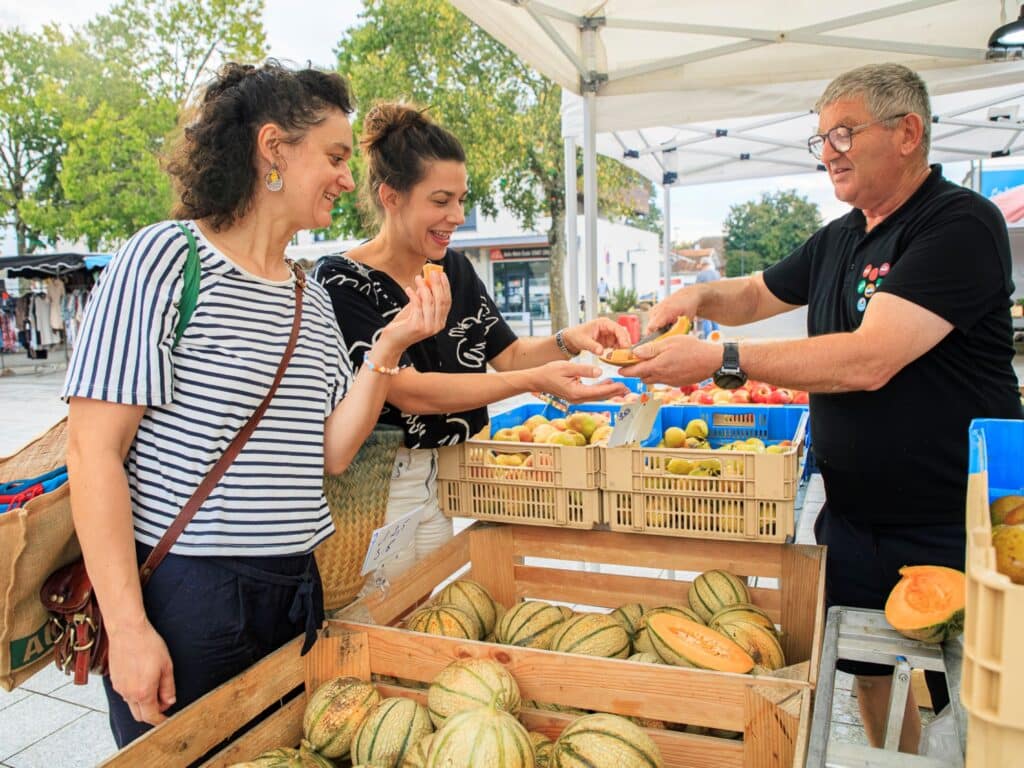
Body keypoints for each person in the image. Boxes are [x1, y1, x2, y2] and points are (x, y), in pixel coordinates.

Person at [622, 63, 1021, 753]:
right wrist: (697, 299)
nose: (828, 150)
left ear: (907, 133)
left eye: (842, 132)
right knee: (870, 670)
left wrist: (723, 360)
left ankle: (948, 754)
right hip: (855, 516)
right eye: (820, 138)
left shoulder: (960, 224)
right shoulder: (842, 236)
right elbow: (753, 294)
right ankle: (895, 753)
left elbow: (870, 360)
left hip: (952, 523)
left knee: (959, 689)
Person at [62, 61, 450, 746]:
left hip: (296, 591)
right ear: (273, 149)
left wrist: (390, 346)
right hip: (191, 599)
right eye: (332, 156)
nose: (343, 176)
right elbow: (92, 452)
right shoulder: (164, 260)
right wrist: (127, 630)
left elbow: (332, 452)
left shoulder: (311, 297)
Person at [314, 102, 629, 577]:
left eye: (462, 199)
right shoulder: (342, 280)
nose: (457, 216)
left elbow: (508, 354)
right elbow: (408, 391)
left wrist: (569, 339)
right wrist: (533, 380)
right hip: (379, 484)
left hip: (448, 475)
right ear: (390, 196)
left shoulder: (453, 267)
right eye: (441, 201)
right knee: (380, 615)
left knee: (435, 607)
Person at [693, 256, 721, 339]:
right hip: (716, 299)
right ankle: (718, 338)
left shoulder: (700, 274)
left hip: (706, 300)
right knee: (715, 321)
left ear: (703, 264)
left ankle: (708, 339)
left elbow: (696, 289)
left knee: (706, 321)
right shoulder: (717, 273)